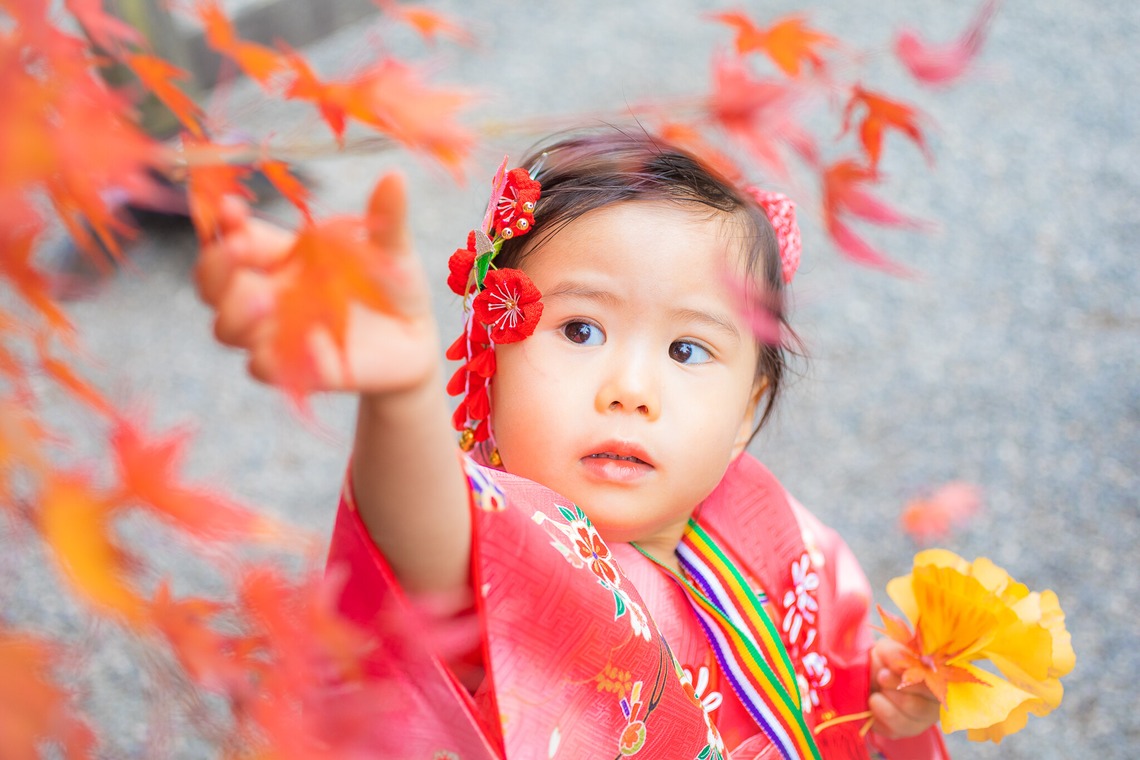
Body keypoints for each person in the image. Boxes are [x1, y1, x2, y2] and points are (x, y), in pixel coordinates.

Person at [196, 130, 948, 759]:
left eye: (687, 350)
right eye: (580, 330)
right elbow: (431, 544)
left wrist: (888, 710)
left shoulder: (778, 536)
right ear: (490, 358)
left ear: (747, 413)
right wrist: (401, 395)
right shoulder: (513, 542)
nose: (630, 388)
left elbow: (830, 694)